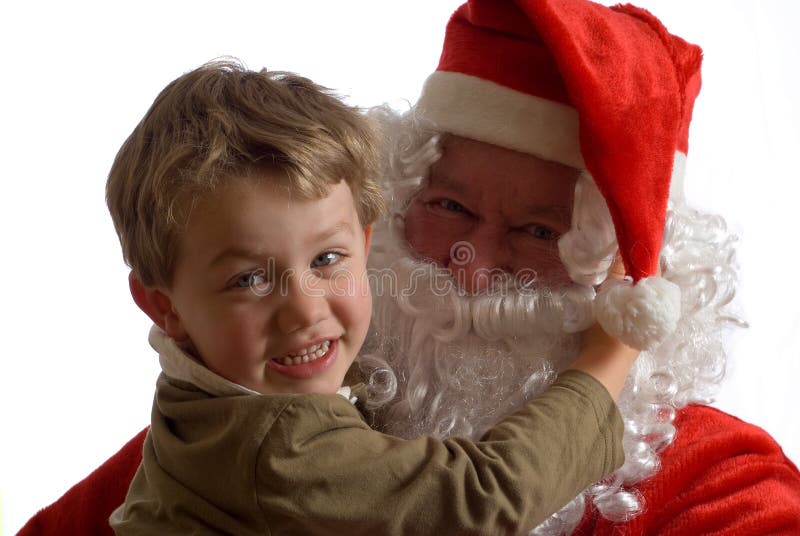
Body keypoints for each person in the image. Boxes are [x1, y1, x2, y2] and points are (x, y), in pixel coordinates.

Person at [19, 1, 800, 535]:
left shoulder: (720, 482)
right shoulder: (286, 408)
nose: (472, 269)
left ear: (627, 287)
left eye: (538, 231)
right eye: (451, 210)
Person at [86, 58, 640, 535]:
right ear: (166, 308)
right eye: (248, 280)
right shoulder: (278, 445)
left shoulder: (201, 392)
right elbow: (485, 497)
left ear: (367, 243)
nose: (305, 310)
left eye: (327, 259)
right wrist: (607, 355)